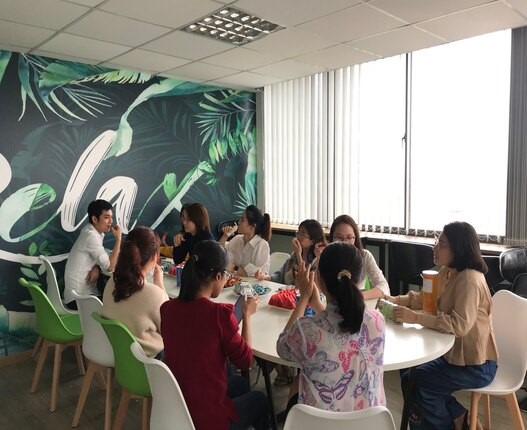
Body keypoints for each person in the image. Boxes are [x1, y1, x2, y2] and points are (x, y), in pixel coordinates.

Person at [385, 221, 498, 430]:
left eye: (442, 243)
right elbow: (425, 298)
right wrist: (394, 300)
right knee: (409, 374)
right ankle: (458, 416)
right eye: (437, 241)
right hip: (453, 357)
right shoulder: (448, 271)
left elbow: (459, 325)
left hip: (476, 365)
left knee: (414, 380)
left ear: (458, 248)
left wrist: (416, 318)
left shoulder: (470, 279)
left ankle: (445, 424)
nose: (435, 247)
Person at [161, 240, 269, 430]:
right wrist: (246, 315)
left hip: (177, 406)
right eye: (226, 274)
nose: (226, 279)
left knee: (240, 384)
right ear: (218, 276)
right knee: (260, 399)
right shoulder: (219, 315)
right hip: (206, 419)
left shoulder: (167, 309)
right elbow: (246, 361)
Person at [276, 242, 386, 412]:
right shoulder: (377, 321)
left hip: (321, 422)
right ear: (359, 279)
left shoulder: (306, 330)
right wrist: (316, 303)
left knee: (298, 383)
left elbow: (282, 348)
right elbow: (338, 325)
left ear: (319, 279)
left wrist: (304, 298)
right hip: (370, 419)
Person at [102, 226, 168, 358]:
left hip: (115, 352)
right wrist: (159, 284)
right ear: (155, 257)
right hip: (146, 360)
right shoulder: (154, 294)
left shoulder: (111, 282)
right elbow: (168, 327)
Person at [64, 199, 122, 309]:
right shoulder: (91, 236)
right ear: (95, 219)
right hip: (78, 299)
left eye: (111, 217)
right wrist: (118, 239)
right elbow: (110, 267)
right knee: (118, 302)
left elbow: (95, 259)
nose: (111, 221)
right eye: (106, 217)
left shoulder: (90, 231)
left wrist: (96, 268)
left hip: (80, 295)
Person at [326, 215, 389, 299]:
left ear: (355, 238)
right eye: (339, 237)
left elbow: (384, 287)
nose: (344, 242)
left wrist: (358, 296)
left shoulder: (365, 256)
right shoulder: (325, 256)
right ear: (332, 237)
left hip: (356, 303)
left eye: (349, 237)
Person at [255, 219, 326, 285]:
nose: (298, 237)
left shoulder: (317, 260)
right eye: (298, 232)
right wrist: (264, 277)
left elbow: (306, 284)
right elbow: (280, 276)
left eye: (302, 234)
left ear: (312, 241)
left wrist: (298, 254)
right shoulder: (294, 256)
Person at [219, 205, 271, 277]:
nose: (238, 222)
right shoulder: (237, 239)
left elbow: (258, 274)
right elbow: (220, 255)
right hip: (236, 280)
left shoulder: (261, 245)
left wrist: (235, 268)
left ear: (252, 226)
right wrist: (225, 236)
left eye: (242, 220)